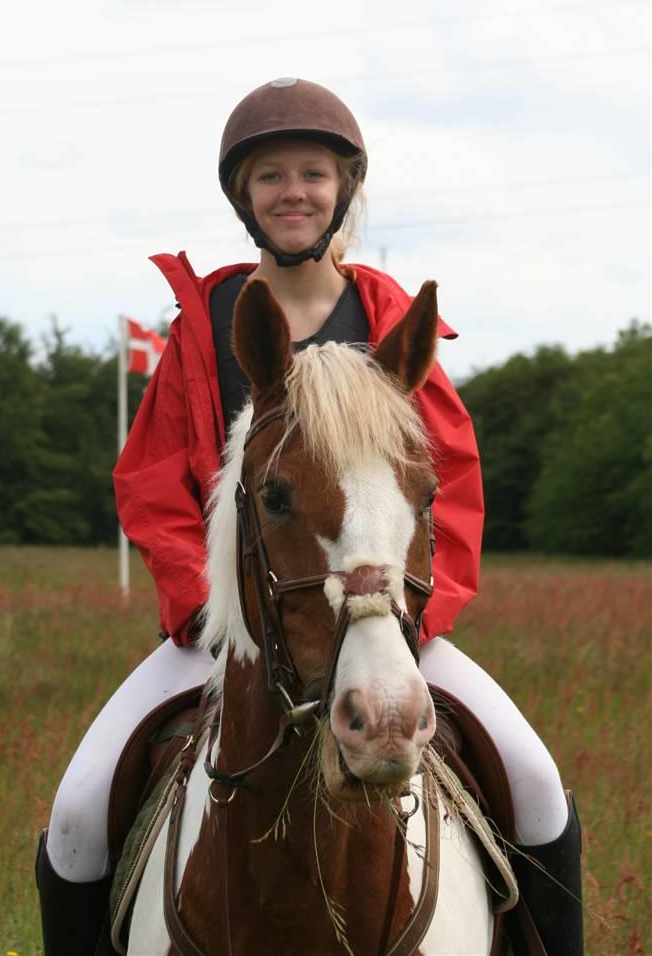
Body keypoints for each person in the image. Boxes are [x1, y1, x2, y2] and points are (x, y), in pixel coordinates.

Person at [36, 77, 583, 955]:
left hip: (387, 622)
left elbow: (448, 481)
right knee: (77, 812)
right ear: (244, 196)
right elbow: (152, 483)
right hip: (229, 632)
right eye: (271, 176)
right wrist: (209, 610)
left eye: (313, 174)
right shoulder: (204, 324)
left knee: (536, 784)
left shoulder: (391, 320)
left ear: (344, 189)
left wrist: (414, 615)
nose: (293, 192)